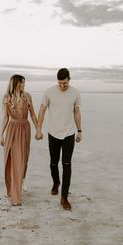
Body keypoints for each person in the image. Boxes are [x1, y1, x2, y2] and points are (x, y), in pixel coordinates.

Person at [35, 68, 82, 210]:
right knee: (53, 163)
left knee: (67, 165)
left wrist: (79, 131)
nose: (62, 86)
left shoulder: (75, 93)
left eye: (65, 83)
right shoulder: (49, 92)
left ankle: (64, 198)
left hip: (68, 134)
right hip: (53, 133)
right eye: (60, 83)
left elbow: (77, 111)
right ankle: (56, 182)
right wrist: (38, 129)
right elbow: (42, 110)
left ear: (69, 79)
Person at [0, 74, 38, 206]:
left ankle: (21, 179)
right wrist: (1, 134)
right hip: (12, 129)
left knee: (23, 159)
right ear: (16, 84)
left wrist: (38, 129)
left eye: (24, 83)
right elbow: (5, 117)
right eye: (22, 83)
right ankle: (15, 194)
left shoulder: (28, 96)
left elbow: (32, 113)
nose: (24, 85)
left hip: (24, 128)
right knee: (12, 160)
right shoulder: (7, 98)